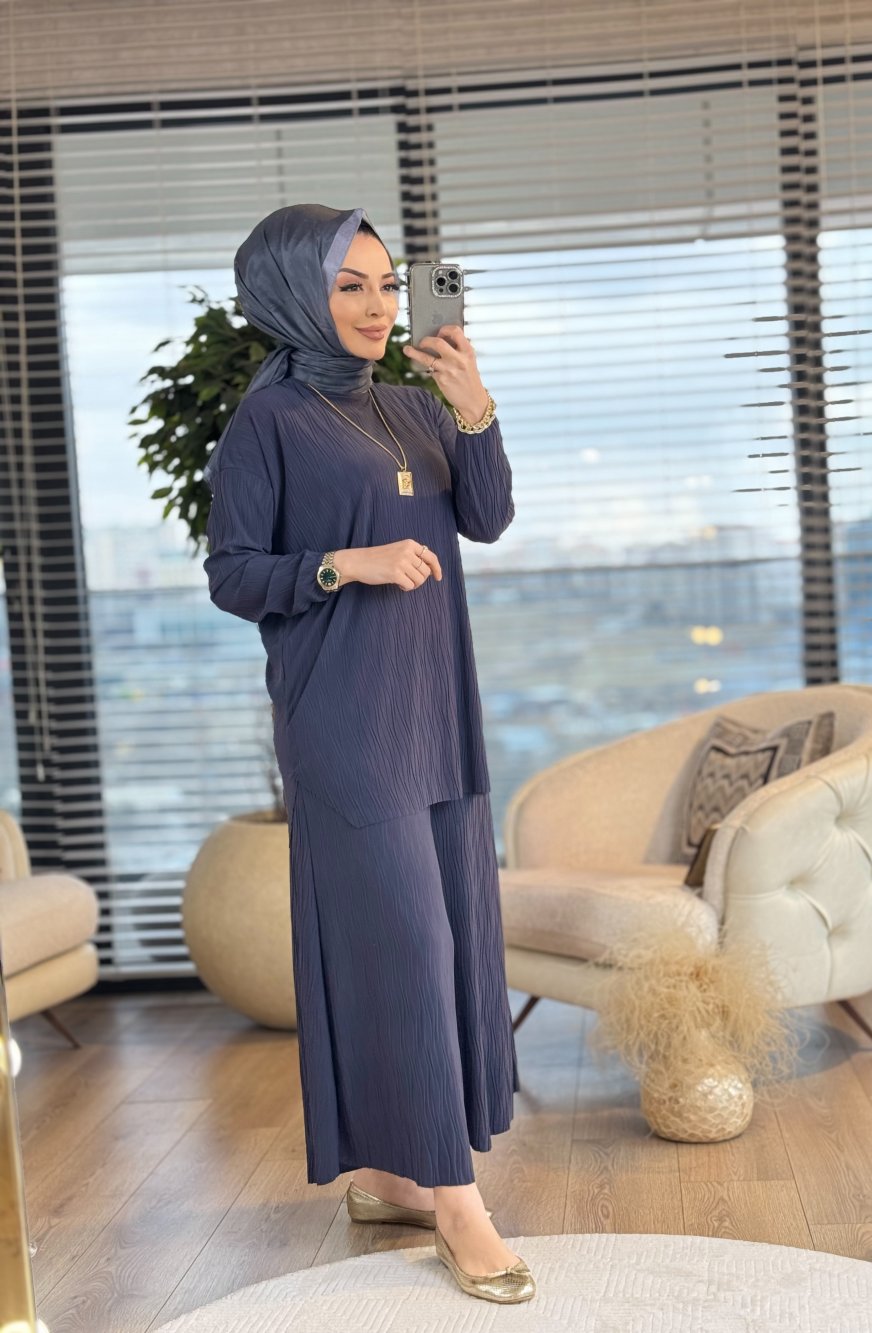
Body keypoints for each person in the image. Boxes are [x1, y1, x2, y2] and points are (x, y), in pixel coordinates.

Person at [201, 203, 536, 1304]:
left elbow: (486, 517)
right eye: (349, 284)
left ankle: (394, 1177)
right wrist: (346, 563)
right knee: (410, 951)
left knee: (454, 944)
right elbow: (234, 574)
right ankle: (457, 1201)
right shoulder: (267, 424)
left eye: (388, 284)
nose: (379, 305)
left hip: (437, 710)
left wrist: (474, 406)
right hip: (345, 722)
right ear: (294, 291)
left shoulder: (413, 403)